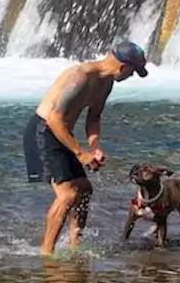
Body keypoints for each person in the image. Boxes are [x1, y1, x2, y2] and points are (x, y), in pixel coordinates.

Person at [24, 41, 149, 255]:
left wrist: (95, 147)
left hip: (61, 134)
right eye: (133, 72)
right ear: (124, 68)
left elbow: (94, 117)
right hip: (43, 132)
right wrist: (80, 153)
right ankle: (47, 253)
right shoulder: (80, 76)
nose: (131, 77)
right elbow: (55, 119)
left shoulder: (106, 83)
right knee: (68, 195)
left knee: (84, 190)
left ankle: (75, 245)